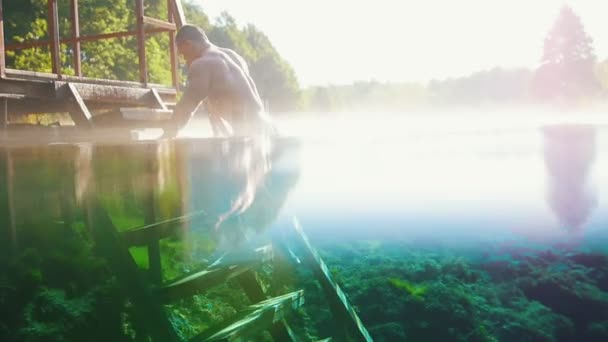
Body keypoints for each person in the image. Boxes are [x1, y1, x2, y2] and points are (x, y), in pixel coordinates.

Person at [164, 25, 275, 138]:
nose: (186, 60)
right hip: (269, 130)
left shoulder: (202, 64)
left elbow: (186, 107)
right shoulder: (234, 56)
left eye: (183, 54)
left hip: (252, 136)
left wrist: (166, 136)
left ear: (188, 44)